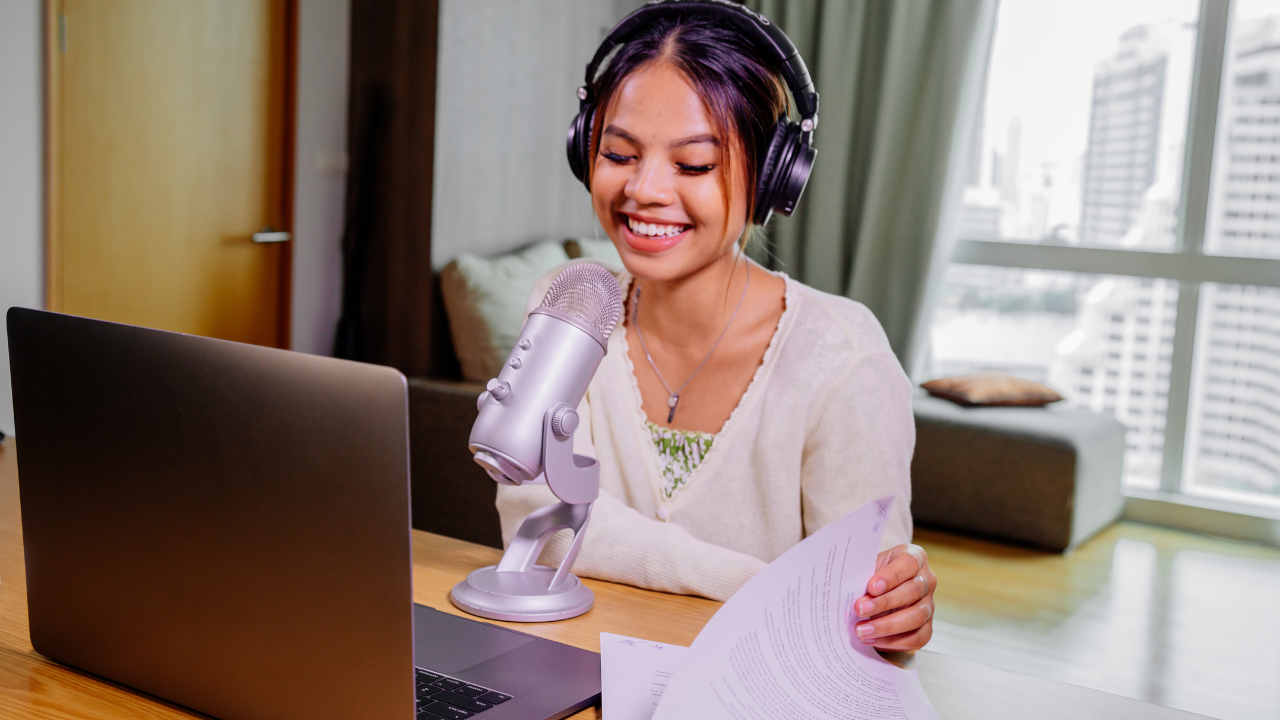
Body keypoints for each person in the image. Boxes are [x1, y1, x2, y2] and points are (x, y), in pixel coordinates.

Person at [497, 2, 937, 652]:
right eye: (618, 153)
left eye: (693, 165)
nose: (643, 189)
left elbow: (852, 606)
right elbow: (539, 520)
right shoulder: (569, 305)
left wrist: (891, 606)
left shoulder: (842, 356)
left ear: (770, 176)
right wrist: (757, 581)